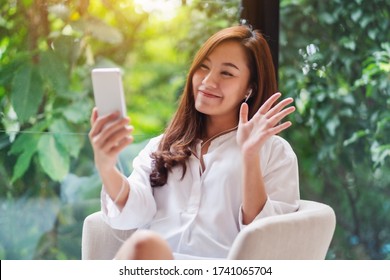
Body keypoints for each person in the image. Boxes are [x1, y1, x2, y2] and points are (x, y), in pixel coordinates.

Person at [88, 24, 300, 260]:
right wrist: (106, 166)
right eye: (204, 67)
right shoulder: (162, 145)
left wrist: (249, 156)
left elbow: (266, 239)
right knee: (143, 245)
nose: (208, 81)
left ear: (249, 88)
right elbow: (130, 214)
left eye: (227, 73)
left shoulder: (275, 152)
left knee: (143, 244)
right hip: (155, 262)